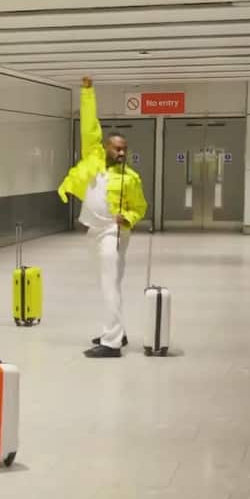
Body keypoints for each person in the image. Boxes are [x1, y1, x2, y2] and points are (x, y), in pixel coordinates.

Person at [57, 76, 147, 358]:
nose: (121, 153)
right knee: (109, 284)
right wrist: (87, 94)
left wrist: (128, 218)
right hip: (93, 231)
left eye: (124, 149)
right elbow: (89, 128)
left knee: (109, 284)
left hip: (113, 233)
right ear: (106, 148)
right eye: (117, 148)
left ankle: (111, 343)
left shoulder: (130, 178)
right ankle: (116, 332)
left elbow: (140, 207)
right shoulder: (93, 160)